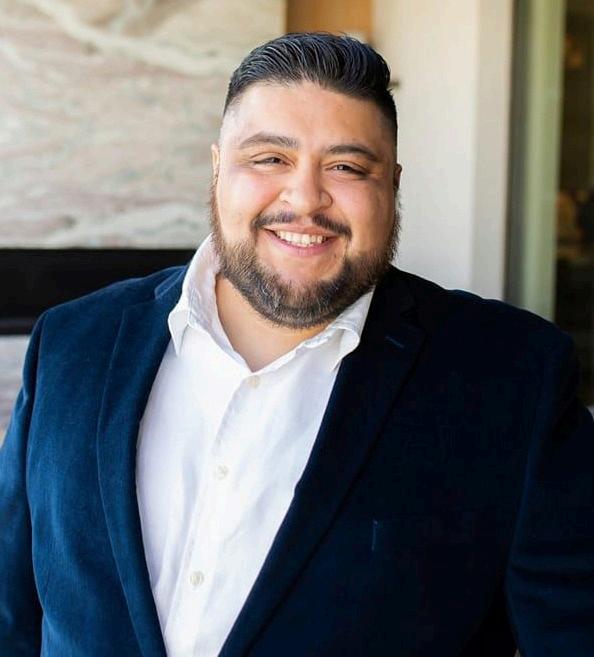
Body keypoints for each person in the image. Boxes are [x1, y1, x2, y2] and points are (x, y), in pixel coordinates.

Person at [1, 33, 593, 657]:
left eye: (347, 167)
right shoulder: (71, 343)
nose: (305, 199)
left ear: (392, 185)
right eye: (269, 158)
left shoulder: (512, 379)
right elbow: (12, 619)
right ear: (218, 168)